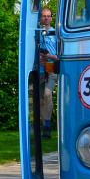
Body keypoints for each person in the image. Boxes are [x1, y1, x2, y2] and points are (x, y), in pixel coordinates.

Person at [38, 8, 58, 139]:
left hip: (51, 68)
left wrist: (50, 56)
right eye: (43, 16)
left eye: (48, 16)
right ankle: (45, 127)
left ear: (51, 18)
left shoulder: (56, 33)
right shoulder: (36, 33)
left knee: (47, 94)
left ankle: (47, 126)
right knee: (40, 101)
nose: (46, 18)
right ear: (40, 17)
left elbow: (61, 55)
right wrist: (39, 58)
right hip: (39, 69)